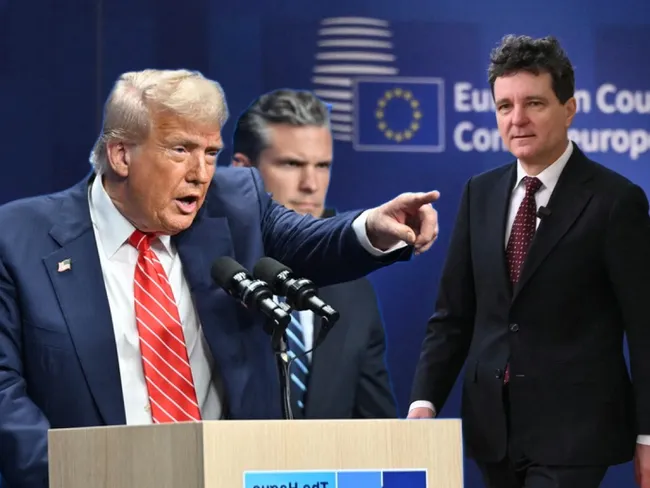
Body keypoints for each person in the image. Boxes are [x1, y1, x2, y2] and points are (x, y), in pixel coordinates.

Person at [0, 69, 440, 488]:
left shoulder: (234, 203)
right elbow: (6, 398)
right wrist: (86, 478)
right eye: (180, 150)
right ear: (121, 155)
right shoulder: (19, 241)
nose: (200, 173)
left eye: (210, 153)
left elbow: (309, 240)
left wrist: (372, 227)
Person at [407, 35, 650, 488]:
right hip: (492, 429)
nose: (517, 119)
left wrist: (648, 434)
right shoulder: (480, 192)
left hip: (575, 435)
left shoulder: (617, 201)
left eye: (534, 103)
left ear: (569, 109)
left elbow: (644, 328)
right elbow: (452, 316)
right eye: (504, 106)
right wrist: (424, 402)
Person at [231, 88, 397, 419]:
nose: (311, 184)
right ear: (242, 171)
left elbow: (377, 429)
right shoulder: (206, 274)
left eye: (322, 166)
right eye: (292, 164)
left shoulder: (353, 291)